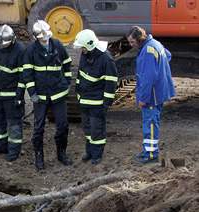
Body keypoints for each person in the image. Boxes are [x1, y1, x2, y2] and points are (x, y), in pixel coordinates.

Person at [23, 20, 73, 170]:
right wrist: (32, 93)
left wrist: (66, 82)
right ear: (36, 38)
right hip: (41, 96)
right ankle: (39, 157)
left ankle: (61, 153)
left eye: (46, 38)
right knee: (38, 128)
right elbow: (27, 73)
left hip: (58, 93)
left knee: (63, 125)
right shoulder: (31, 51)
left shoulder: (57, 45)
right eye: (42, 39)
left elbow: (67, 64)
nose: (45, 41)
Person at [127, 26, 175, 164]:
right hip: (160, 91)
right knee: (153, 122)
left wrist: (143, 98)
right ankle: (149, 150)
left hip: (152, 96)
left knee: (151, 124)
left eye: (132, 42)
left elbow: (147, 78)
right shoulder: (155, 44)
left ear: (139, 39)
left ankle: (151, 154)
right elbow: (168, 55)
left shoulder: (147, 51)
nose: (131, 45)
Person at [73, 29, 118, 165]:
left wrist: (106, 103)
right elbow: (80, 76)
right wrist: (79, 94)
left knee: (96, 130)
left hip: (97, 103)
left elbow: (110, 83)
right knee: (87, 129)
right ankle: (90, 152)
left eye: (83, 48)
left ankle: (97, 155)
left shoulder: (106, 59)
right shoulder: (86, 54)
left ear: (90, 45)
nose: (82, 50)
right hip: (85, 101)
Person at [0, 24, 25, 161]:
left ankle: (14, 151)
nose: (2, 47)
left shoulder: (20, 50)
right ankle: (0, 145)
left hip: (12, 94)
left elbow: (23, 75)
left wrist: (20, 94)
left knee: (14, 124)